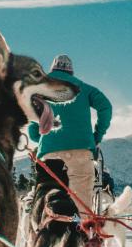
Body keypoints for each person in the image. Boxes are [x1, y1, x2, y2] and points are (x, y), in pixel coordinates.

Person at [26, 53, 112, 214]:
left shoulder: (39, 91)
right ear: (71, 72)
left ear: (52, 70)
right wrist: (97, 136)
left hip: (49, 155)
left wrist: (45, 138)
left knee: (47, 207)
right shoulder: (85, 88)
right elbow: (106, 107)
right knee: (82, 210)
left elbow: (32, 130)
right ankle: (83, 234)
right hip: (81, 152)